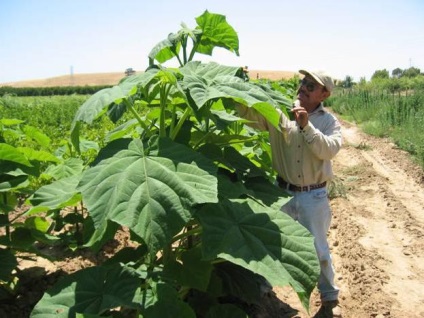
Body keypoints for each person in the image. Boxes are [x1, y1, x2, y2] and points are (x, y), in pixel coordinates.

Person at [235, 70, 342, 317]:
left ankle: (329, 300)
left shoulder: (329, 122)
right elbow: (251, 118)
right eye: (303, 81)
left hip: (312, 197)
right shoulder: (281, 114)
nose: (303, 86)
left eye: (311, 85)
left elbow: (328, 150)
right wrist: (238, 94)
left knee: (317, 249)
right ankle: (263, 295)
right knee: (269, 241)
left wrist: (306, 126)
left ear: (324, 94)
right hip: (281, 191)